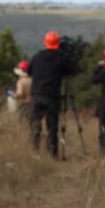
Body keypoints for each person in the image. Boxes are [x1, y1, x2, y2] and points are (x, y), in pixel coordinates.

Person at [28, 30, 77, 159]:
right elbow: (74, 70)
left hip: (37, 95)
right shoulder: (62, 58)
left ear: (45, 43)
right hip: (51, 97)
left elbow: (29, 71)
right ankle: (52, 154)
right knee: (52, 126)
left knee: (35, 125)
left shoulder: (37, 56)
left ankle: (34, 151)